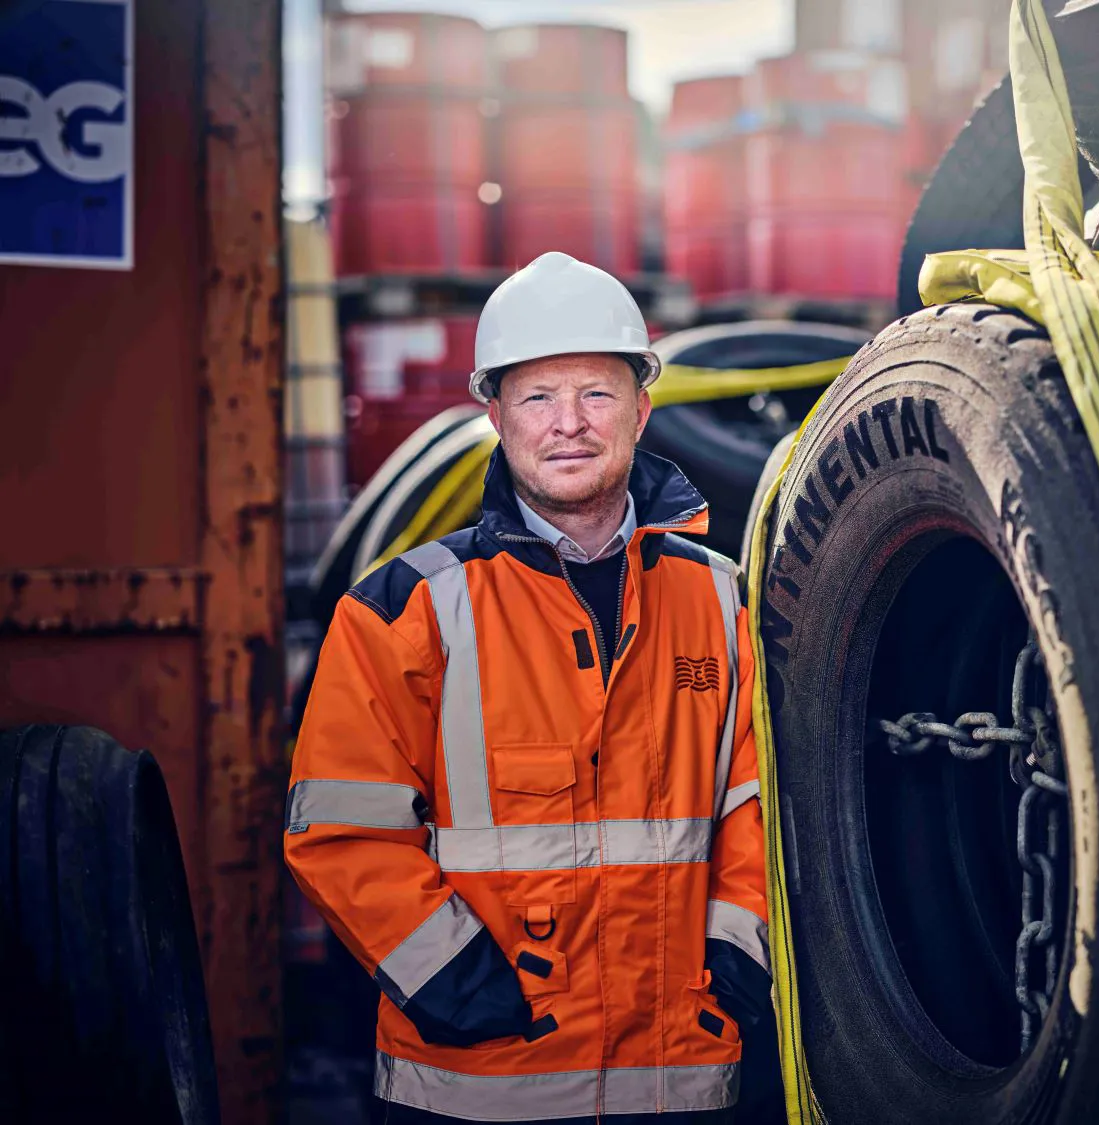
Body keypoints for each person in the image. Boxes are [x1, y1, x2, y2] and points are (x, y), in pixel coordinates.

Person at [285, 252, 771, 1124]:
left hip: (683, 1075)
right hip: (476, 1081)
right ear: (496, 415)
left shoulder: (723, 598)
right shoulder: (406, 610)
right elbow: (340, 828)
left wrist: (733, 966)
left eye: (597, 393)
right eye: (539, 397)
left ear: (642, 409)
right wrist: (455, 983)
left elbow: (759, 803)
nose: (568, 424)